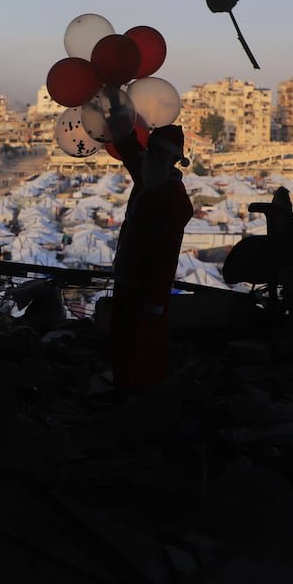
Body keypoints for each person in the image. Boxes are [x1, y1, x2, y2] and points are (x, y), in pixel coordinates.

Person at [108, 123, 195, 392]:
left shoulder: (173, 199)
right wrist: (115, 110)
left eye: (158, 153)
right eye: (150, 151)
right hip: (126, 281)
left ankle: (136, 402)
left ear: (173, 160)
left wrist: (155, 302)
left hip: (145, 292)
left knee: (140, 351)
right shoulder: (148, 177)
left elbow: (166, 255)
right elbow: (129, 148)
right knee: (121, 346)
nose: (150, 156)